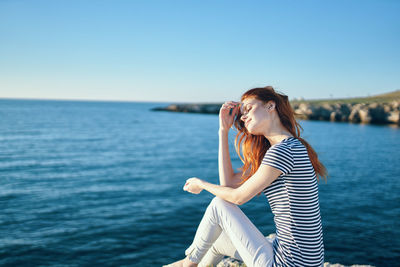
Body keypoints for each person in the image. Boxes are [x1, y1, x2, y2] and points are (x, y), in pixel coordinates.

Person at [163, 86, 327, 267]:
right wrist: (223, 131)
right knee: (216, 243)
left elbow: (237, 198)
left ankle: (187, 264)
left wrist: (200, 183)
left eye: (248, 108)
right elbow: (229, 185)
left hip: (289, 263)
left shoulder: (283, 151)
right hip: (303, 261)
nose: (243, 116)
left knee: (219, 204)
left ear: (270, 106)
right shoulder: (287, 148)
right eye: (241, 113)